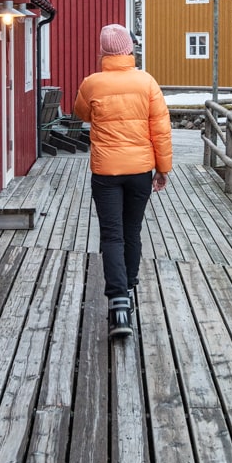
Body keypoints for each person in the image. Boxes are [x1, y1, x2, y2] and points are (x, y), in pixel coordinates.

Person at [73, 23, 172, 340]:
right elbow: (161, 129)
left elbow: (82, 114)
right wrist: (163, 168)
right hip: (141, 171)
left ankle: (118, 305)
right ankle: (128, 284)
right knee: (132, 230)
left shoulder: (92, 84)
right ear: (130, 49)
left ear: (102, 51)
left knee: (112, 235)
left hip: (106, 173)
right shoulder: (147, 83)